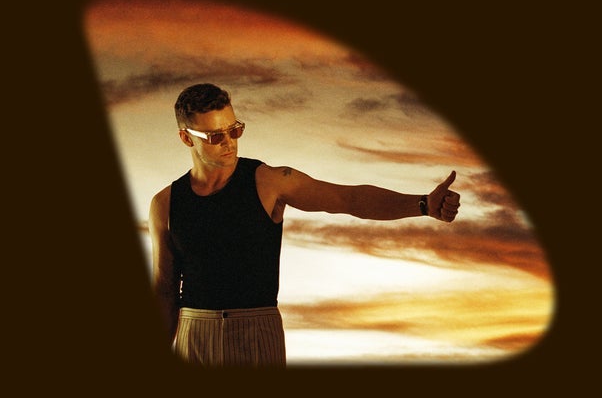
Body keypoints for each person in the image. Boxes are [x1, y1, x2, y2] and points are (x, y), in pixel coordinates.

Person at [149, 83, 461, 368]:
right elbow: (165, 290)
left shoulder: (269, 182)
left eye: (235, 130)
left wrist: (422, 204)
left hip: (257, 332)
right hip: (194, 336)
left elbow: (347, 199)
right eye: (215, 136)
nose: (229, 143)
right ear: (186, 138)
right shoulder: (165, 204)